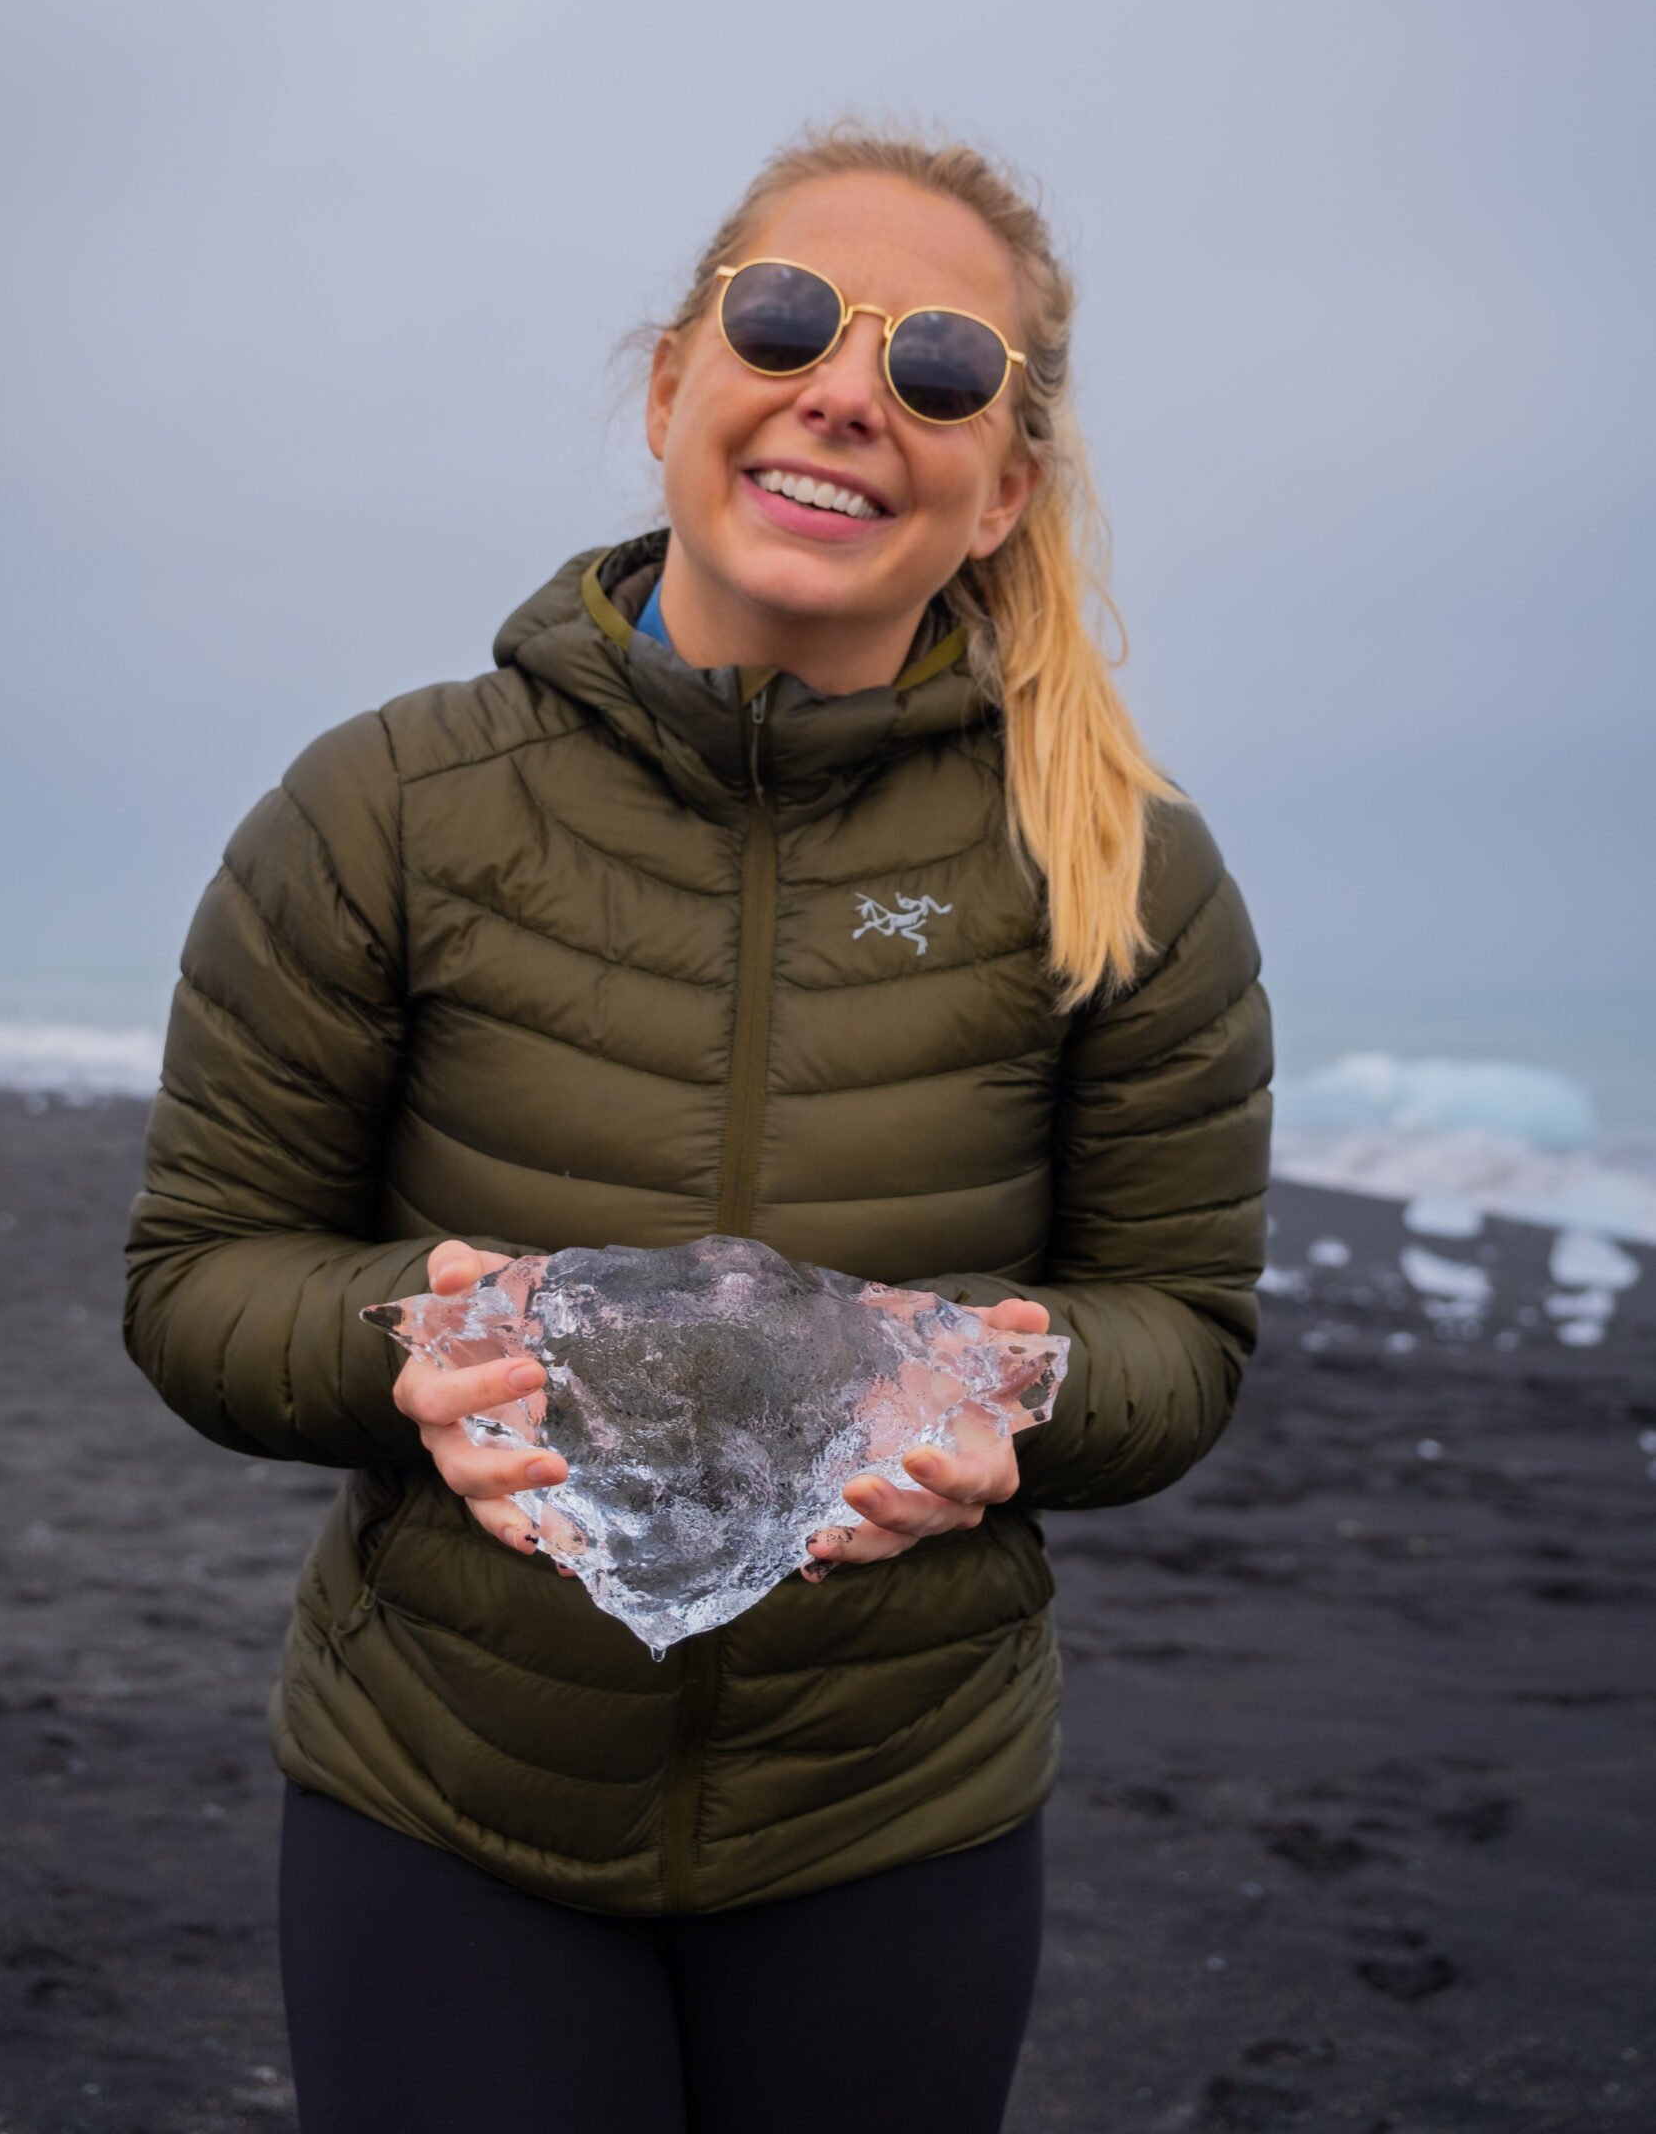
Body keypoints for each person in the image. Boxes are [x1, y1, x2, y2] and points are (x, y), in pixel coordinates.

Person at [125, 124, 1272, 2134]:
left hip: (894, 1812)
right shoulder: (385, 809)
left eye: (936, 368)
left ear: (1001, 485)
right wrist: (420, 1332)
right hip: (448, 1797)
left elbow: (1178, 1326)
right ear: (673, 382)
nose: (845, 385)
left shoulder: (1114, 866)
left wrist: (1019, 1383)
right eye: (783, 316)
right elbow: (197, 1276)